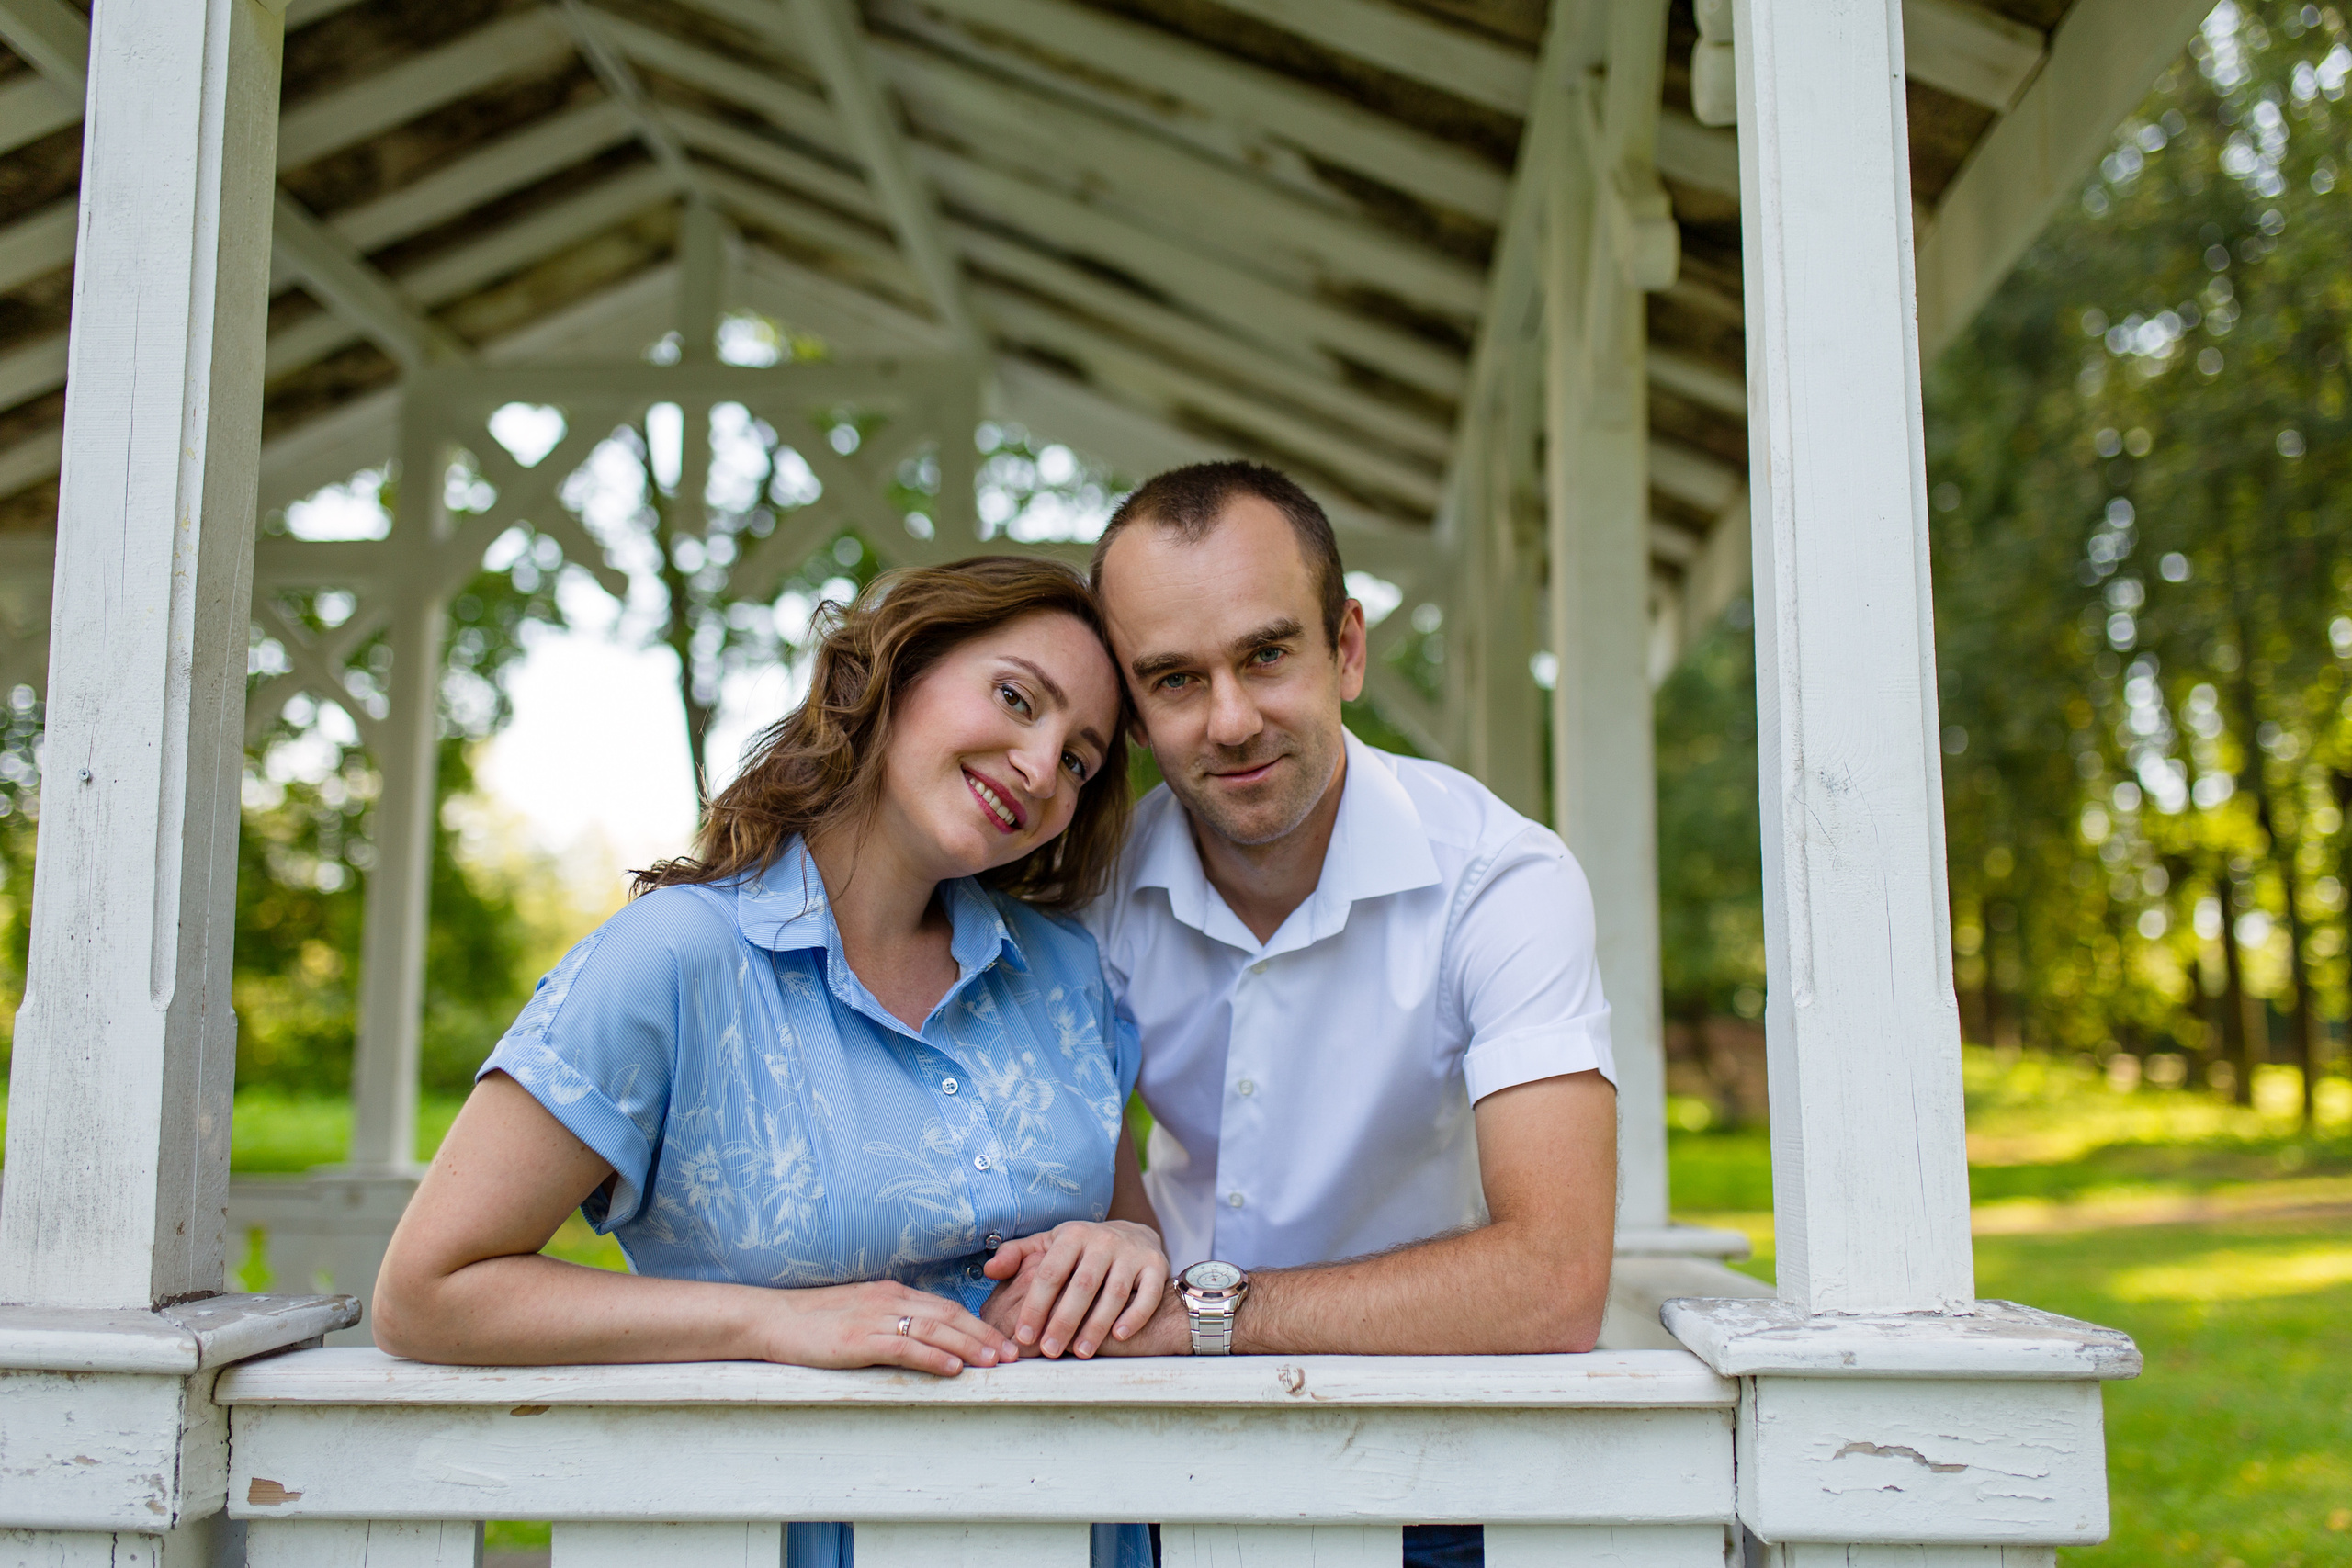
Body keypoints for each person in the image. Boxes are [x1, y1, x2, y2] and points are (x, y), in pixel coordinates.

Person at [374, 557, 1165, 1568]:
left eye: (1079, 762)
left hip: (1071, 1535)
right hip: (768, 1535)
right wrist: (772, 1326)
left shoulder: (1064, 976)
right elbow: (428, 1292)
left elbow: (1127, 1231)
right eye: (1016, 698)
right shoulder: (668, 961)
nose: (1039, 764)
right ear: (894, 669)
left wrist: (1132, 1254)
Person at [983, 461, 1619, 1568]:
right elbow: (1074, 1170)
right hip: (1149, 1462)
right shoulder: (1080, 896)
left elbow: (1554, 1282)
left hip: (1426, 1470)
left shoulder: (1501, 879)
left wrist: (1203, 1316)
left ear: (1348, 649)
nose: (1230, 721)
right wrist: (1128, 1248)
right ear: (1131, 709)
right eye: (1174, 680)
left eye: (1267, 654)